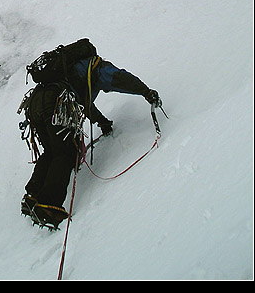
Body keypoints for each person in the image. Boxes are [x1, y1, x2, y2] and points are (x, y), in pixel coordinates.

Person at [21, 52, 161, 229]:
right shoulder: (98, 68)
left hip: (35, 103)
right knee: (65, 153)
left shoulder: (74, 73)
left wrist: (102, 122)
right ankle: (49, 206)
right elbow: (119, 78)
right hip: (54, 103)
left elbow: (86, 105)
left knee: (51, 150)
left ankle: (32, 196)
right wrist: (145, 92)